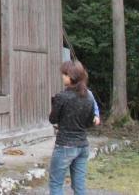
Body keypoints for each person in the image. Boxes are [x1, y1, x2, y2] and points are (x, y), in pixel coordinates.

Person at [48, 60, 95, 195]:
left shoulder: (62, 97)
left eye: (64, 74)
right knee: (79, 186)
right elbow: (89, 123)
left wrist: (54, 107)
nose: (62, 76)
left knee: (56, 183)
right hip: (83, 146)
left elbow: (53, 119)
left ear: (71, 76)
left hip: (65, 146)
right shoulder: (89, 97)